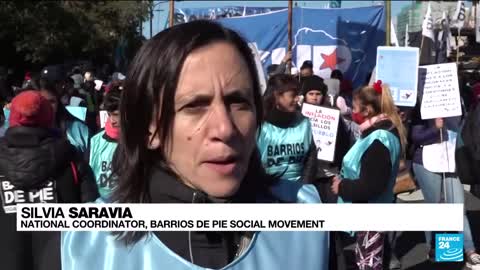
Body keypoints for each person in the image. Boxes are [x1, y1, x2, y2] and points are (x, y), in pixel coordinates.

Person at [61, 20, 328, 270]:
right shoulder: (84, 246)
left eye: (239, 102)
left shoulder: (309, 225)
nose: (225, 128)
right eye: (195, 106)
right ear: (149, 129)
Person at [0, 91, 98, 270]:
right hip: (61, 261)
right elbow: (93, 219)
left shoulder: (72, 159)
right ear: (48, 117)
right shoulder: (71, 159)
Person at [331, 80, 406, 270]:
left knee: (369, 264)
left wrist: (342, 186)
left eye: (355, 107)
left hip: (371, 212)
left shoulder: (379, 139)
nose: (352, 111)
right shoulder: (378, 133)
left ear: (368, 110)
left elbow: (371, 185)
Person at [411, 106, 480, 269]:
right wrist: (435, 128)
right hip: (426, 162)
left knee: (458, 208)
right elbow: (416, 136)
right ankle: (434, 249)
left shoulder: (459, 102)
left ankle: (470, 251)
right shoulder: (421, 106)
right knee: (435, 208)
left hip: (454, 160)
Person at [257, 74, 317, 185]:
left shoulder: (304, 123)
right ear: (276, 96)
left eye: (297, 95)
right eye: (293, 95)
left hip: (299, 192)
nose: (297, 99)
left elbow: (311, 160)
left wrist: (302, 187)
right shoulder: (259, 126)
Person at [89, 88, 121, 199]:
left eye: (117, 114)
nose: (112, 120)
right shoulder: (95, 141)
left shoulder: (138, 143)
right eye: (109, 114)